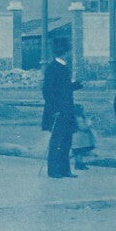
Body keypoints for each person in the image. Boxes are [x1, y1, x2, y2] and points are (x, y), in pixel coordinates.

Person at [40, 39, 81, 178]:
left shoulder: (63, 67)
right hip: (58, 112)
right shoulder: (53, 68)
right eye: (69, 52)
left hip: (67, 111)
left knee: (67, 141)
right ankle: (53, 170)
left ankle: (65, 170)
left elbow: (62, 89)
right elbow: (48, 92)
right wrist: (54, 110)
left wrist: (75, 85)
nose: (70, 54)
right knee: (57, 141)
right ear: (65, 53)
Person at [71, 105, 98, 171]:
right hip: (79, 140)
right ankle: (79, 164)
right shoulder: (79, 119)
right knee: (79, 153)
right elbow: (84, 128)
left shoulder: (76, 118)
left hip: (78, 140)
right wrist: (90, 122)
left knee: (78, 152)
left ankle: (79, 164)